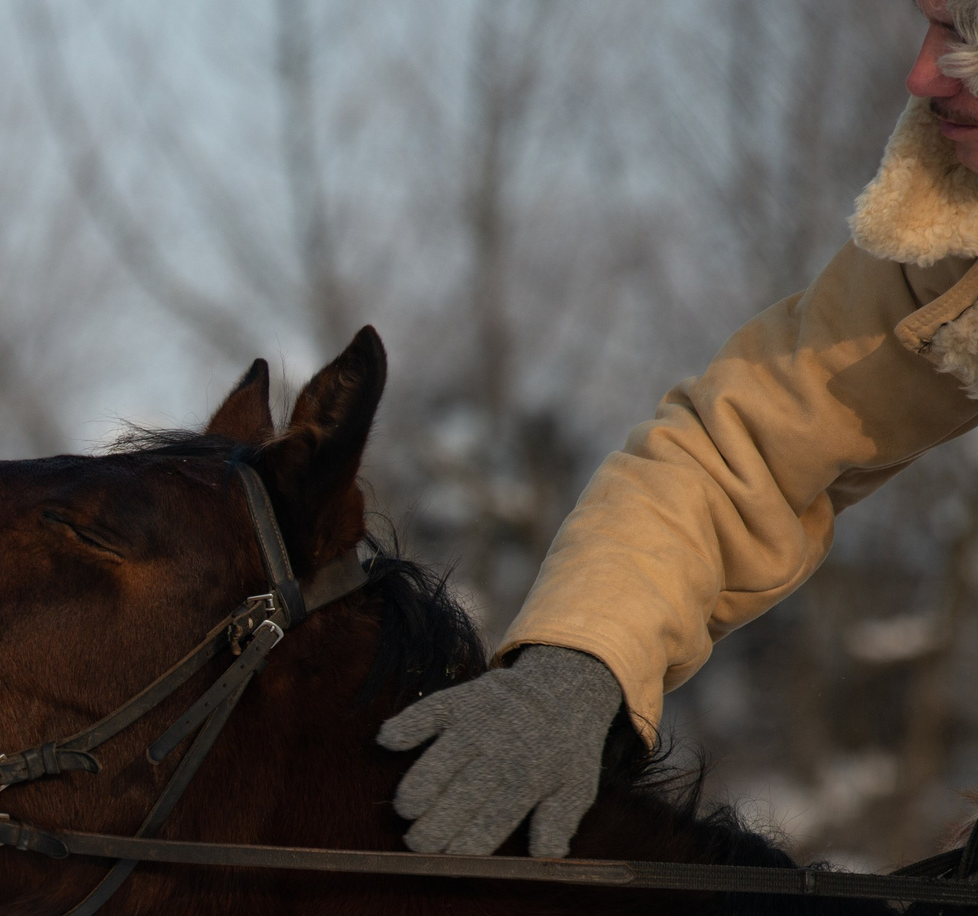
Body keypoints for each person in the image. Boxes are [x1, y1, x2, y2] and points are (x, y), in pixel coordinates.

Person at [381, 0, 978, 857]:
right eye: (930, 27)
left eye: (966, 33)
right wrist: (578, 662)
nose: (922, 74)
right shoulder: (955, 228)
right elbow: (740, 453)